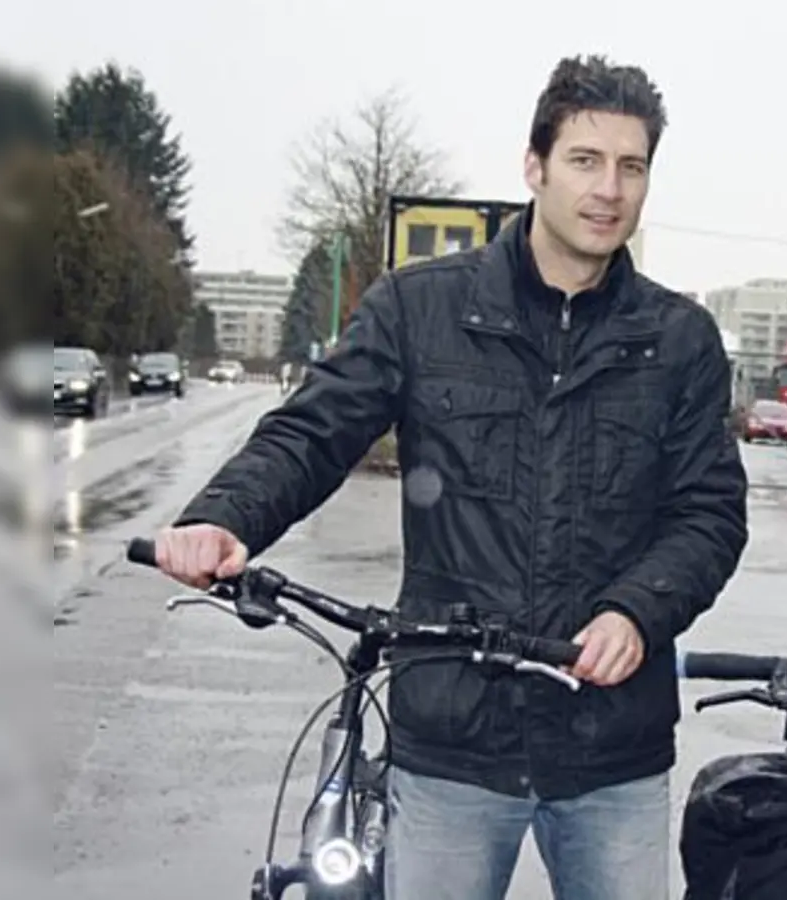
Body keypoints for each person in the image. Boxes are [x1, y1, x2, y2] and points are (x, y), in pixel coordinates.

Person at [149, 54, 749, 900]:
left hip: (613, 752)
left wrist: (637, 611)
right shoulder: (418, 310)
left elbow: (710, 515)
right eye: (585, 161)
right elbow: (312, 434)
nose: (609, 188)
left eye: (632, 166)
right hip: (452, 747)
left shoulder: (680, 340)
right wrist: (226, 518)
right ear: (534, 166)